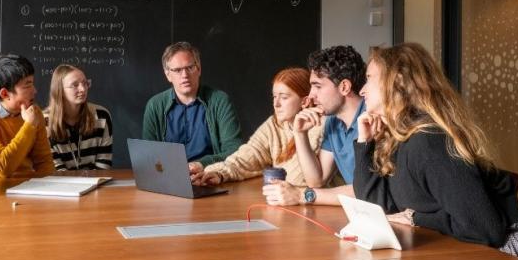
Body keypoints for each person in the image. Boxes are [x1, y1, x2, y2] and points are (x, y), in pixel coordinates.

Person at [355, 43, 518, 260]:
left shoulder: (429, 142)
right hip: (468, 250)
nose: (362, 90)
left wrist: (416, 218)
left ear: (398, 81)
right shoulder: (400, 139)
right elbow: (377, 208)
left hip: (512, 255)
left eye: (369, 78)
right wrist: (365, 143)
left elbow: (483, 229)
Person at [263, 45, 366, 206]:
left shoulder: (370, 120)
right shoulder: (334, 121)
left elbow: (369, 190)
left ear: (344, 87)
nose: (311, 95)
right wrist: (300, 134)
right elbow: (317, 180)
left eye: (317, 86)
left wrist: (301, 195)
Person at [193, 68, 322, 186]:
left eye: (284, 97)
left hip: (320, 208)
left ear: (304, 101)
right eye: (274, 97)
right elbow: (248, 155)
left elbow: (297, 179)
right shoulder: (275, 123)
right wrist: (219, 173)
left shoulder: (318, 126)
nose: (276, 104)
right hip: (286, 201)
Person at [142, 41, 242, 174]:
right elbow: (149, 156)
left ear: (199, 69)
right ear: (167, 75)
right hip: (168, 178)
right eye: (177, 70)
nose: (184, 75)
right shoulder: (155, 106)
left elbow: (235, 150)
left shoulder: (219, 101)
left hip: (211, 175)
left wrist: (202, 164)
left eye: (190, 68)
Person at [0, 54, 54, 182]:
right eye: (27, 85)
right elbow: (2, 167)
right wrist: (29, 126)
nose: (34, 91)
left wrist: (49, 189)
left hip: (28, 187)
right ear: (5, 93)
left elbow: (44, 162)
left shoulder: (34, 113)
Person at [45, 64, 113, 170]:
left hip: (96, 183)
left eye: (85, 83)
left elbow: (104, 164)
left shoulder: (101, 115)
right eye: (74, 85)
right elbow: (55, 169)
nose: (83, 89)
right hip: (59, 184)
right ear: (59, 90)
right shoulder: (44, 121)